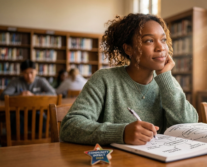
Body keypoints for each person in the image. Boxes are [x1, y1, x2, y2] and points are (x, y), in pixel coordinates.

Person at [60, 13, 198, 146]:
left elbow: (189, 125)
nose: (161, 47)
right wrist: (121, 133)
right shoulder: (104, 79)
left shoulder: (166, 81)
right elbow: (69, 126)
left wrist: (166, 78)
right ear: (128, 49)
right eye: (149, 40)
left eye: (163, 40)